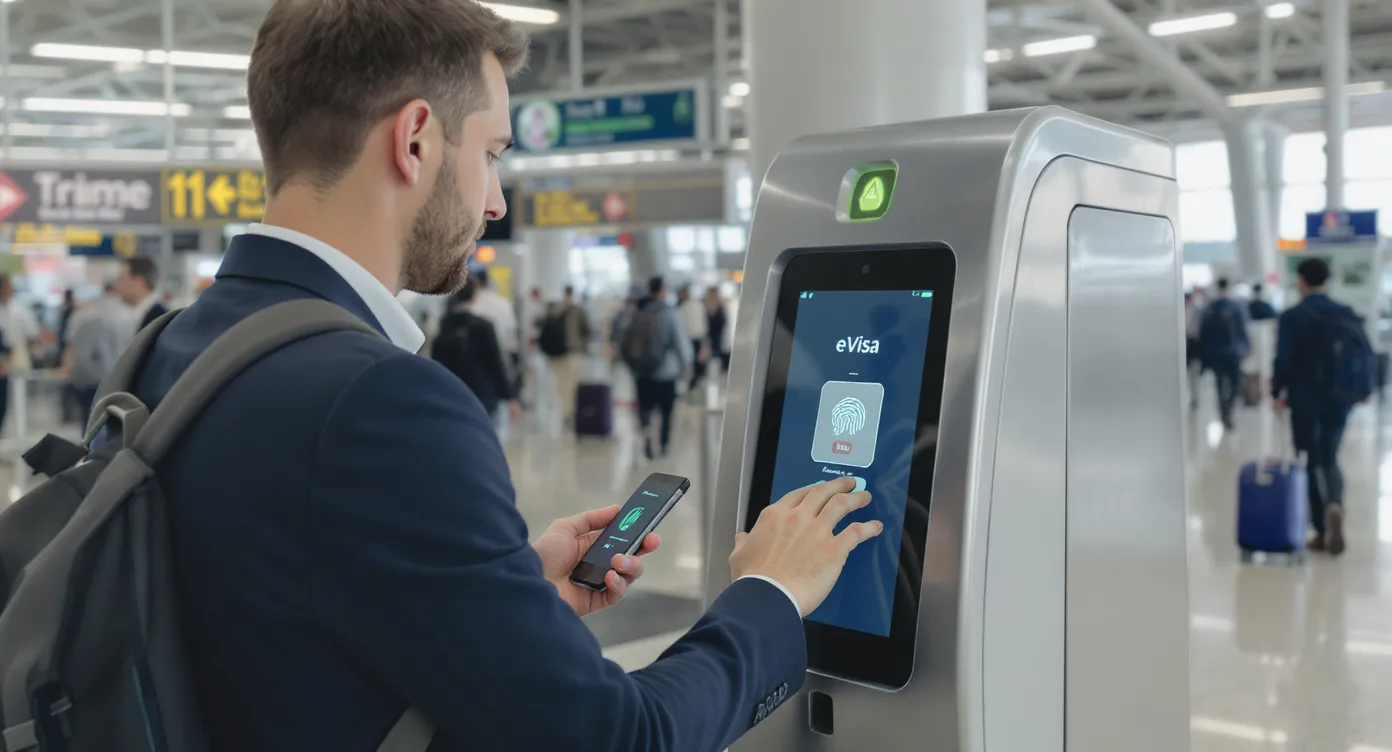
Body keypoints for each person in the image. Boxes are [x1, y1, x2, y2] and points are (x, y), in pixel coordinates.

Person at [120, 2, 880, 750]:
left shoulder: (167, 351)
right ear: (415, 140)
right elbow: (618, 739)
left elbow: (278, 630)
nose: (495, 201)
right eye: (491, 154)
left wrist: (504, 591)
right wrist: (770, 592)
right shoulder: (380, 401)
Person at [1273, 258, 1361, 556]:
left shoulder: (1292, 316)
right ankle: (1335, 503)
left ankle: (1322, 531)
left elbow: (1283, 360)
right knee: (1330, 458)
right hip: (1339, 399)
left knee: (1309, 460)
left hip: (1304, 399)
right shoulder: (1345, 313)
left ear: (1301, 280)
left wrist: (1276, 391)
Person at [433, 278, 517, 442]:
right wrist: (509, 397)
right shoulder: (484, 325)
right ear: (474, 295)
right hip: (483, 394)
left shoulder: (444, 325)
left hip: (453, 393)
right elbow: (495, 364)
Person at [618, 276, 691, 460]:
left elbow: (622, 339)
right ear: (662, 291)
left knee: (645, 409)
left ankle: (647, 441)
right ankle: (663, 445)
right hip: (666, 373)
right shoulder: (669, 312)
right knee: (666, 412)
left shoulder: (636, 310)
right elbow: (680, 343)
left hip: (642, 373)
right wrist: (687, 365)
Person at [63, 283, 134, 415]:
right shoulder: (127, 314)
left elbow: (72, 348)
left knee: (88, 417)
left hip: (89, 380)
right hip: (117, 379)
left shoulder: (82, 314)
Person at [1199, 278, 1250, 430]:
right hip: (1233, 353)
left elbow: (1203, 332)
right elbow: (1243, 330)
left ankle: (1224, 412)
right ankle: (1228, 410)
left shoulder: (1210, 307)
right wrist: (1245, 349)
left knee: (1220, 384)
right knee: (1235, 384)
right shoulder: (1236, 307)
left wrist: (1205, 354)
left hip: (1215, 353)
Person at [468, 267, 521, 407]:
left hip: (475, 364)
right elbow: (512, 337)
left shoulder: (472, 305)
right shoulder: (503, 304)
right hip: (501, 359)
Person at [539, 285, 590, 424]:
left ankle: (566, 411)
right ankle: (570, 412)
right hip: (574, 351)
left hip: (558, 353)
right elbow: (586, 330)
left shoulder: (556, 310)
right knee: (572, 385)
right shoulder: (578, 310)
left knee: (562, 384)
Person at [0, 275, 39, 430]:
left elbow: (32, 333)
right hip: (3, 361)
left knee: (17, 398)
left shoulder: (19, 309)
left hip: (17, 359)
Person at [116, 256, 170, 330]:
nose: (117, 286)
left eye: (121, 279)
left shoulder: (160, 320)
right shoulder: (144, 315)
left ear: (138, 282)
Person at [677, 284, 709, 392]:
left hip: (689, 340)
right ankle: (693, 385)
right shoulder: (699, 306)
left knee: (691, 364)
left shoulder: (682, 308)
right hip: (697, 339)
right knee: (697, 365)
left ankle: (692, 385)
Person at [706, 286, 731, 375]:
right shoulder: (710, 309)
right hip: (714, 341)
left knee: (722, 365)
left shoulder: (720, 309)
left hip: (720, 341)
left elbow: (722, 326)